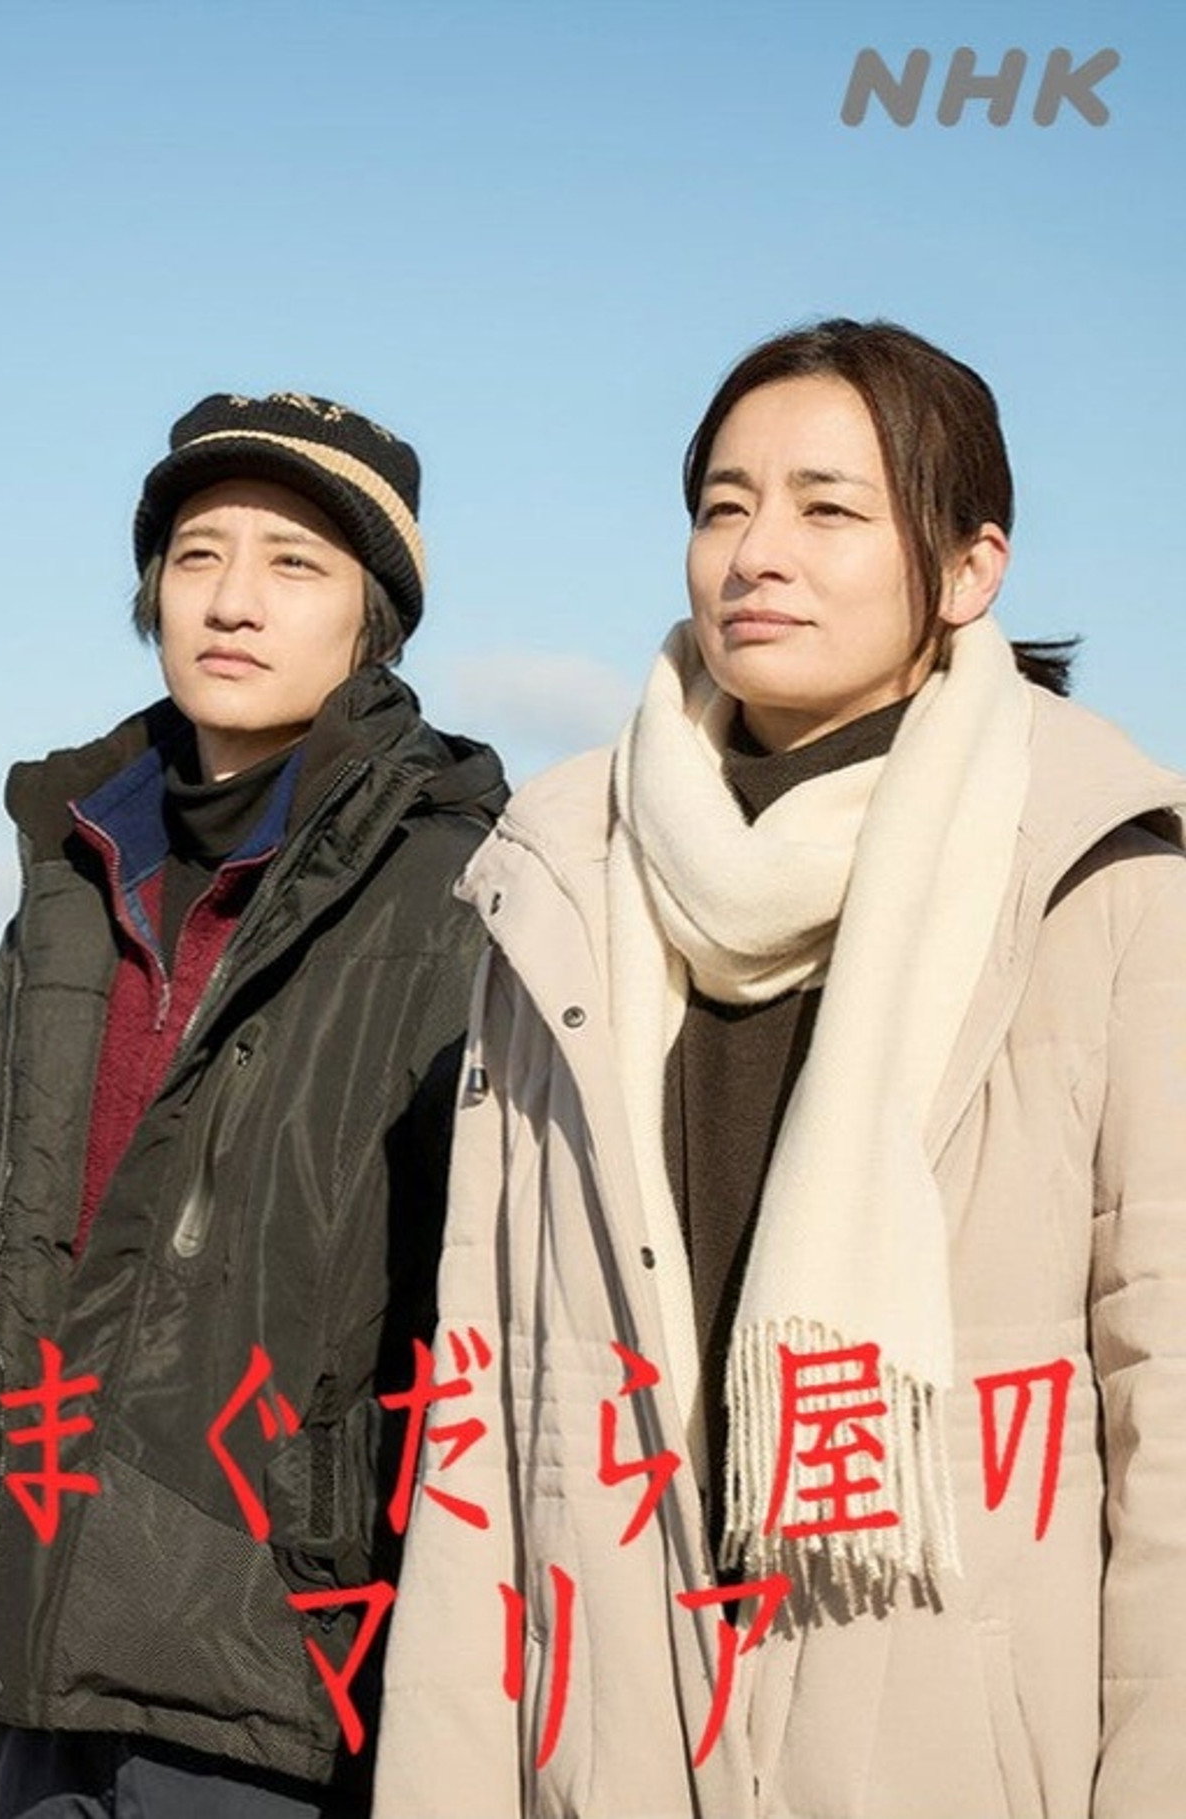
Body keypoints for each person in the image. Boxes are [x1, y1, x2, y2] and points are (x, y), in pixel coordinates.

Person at [373, 320, 1186, 1819]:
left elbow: (1168, 1394)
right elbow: (481, 1391)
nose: (757, 553)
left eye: (829, 508)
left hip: (956, 1748)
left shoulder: (1097, 877)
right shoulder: (562, 877)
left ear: (969, 569)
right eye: (724, 505)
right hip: (615, 1722)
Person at [0, 389, 506, 1817]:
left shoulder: (464, 884)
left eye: (295, 563)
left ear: (375, 619)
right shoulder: (73, 865)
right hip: (28, 1598)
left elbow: (476, 1287)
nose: (233, 600)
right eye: (196, 556)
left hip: (274, 1652)